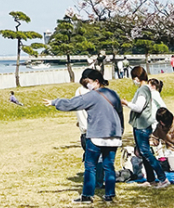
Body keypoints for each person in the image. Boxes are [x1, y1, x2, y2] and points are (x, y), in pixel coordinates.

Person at [46, 67, 124, 204]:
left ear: (96, 81)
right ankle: (109, 195)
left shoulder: (93, 95)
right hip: (114, 136)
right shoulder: (114, 94)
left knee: (90, 166)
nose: (87, 86)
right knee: (109, 166)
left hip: (97, 136)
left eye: (87, 83)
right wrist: (120, 131)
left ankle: (87, 196)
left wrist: (54, 102)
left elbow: (72, 103)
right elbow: (120, 114)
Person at [126, 67, 169, 189]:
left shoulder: (143, 90)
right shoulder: (146, 89)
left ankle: (163, 178)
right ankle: (151, 179)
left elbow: (139, 107)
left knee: (146, 153)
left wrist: (126, 103)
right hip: (140, 125)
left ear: (136, 78)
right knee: (144, 153)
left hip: (142, 126)